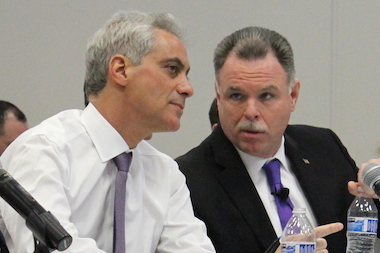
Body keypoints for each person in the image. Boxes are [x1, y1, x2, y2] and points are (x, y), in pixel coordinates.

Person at [0, 10, 215, 253]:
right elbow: (56, 249)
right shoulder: (45, 149)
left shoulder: (165, 173)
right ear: (121, 70)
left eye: (186, 75)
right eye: (172, 69)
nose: (188, 88)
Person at [176, 26, 364, 252]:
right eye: (236, 96)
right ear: (218, 96)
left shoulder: (324, 147)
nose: (251, 112)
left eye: (266, 96)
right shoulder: (185, 180)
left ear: (293, 95)